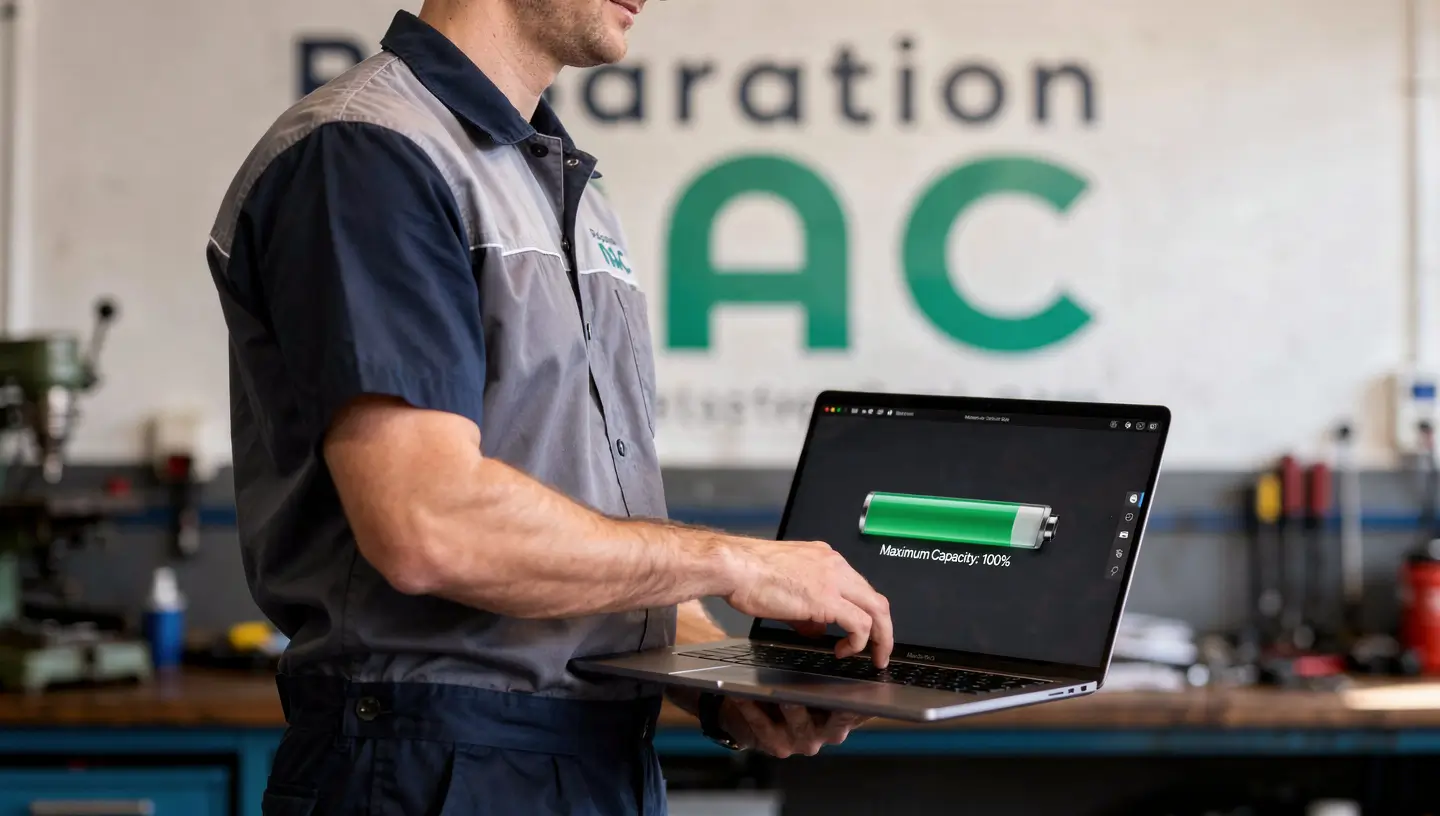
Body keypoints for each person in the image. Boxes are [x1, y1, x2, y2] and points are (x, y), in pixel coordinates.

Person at [205, 0, 894, 813]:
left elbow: (585, 524)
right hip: (433, 763)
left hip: (592, 759)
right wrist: (738, 562)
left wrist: (719, 677)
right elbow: (428, 526)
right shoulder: (369, 154)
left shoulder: (555, 178)